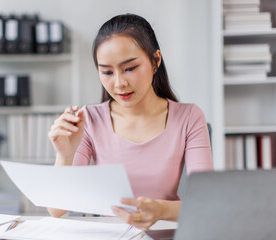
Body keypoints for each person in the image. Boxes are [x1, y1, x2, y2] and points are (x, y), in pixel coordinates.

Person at [47, 13, 213, 230]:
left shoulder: (189, 117)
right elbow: (56, 209)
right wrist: (64, 155)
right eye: (107, 72)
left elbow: (207, 203)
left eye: (130, 68)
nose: (119, 83)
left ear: (156, 61)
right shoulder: (89, 120)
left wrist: (161, 210)